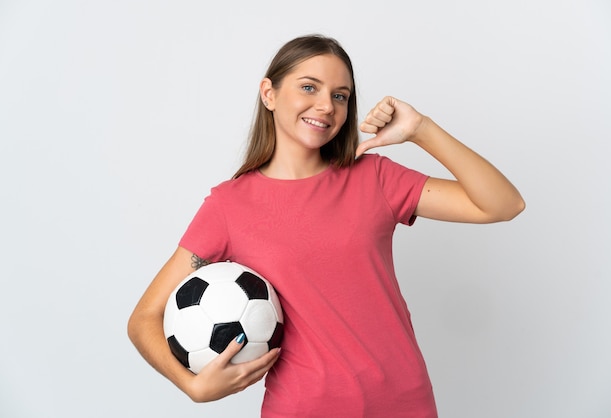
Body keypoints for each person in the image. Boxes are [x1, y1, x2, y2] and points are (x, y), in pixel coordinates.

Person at [127, 34, 525, 418]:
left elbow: (504, 204)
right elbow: (144, 317)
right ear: (269, 94)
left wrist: (421, 130)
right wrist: (192, 386)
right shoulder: (229, 205)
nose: (326, 106)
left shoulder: (374, 178)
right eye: (308, 87)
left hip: (404, 403)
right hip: (302, 409)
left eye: (340, 96)